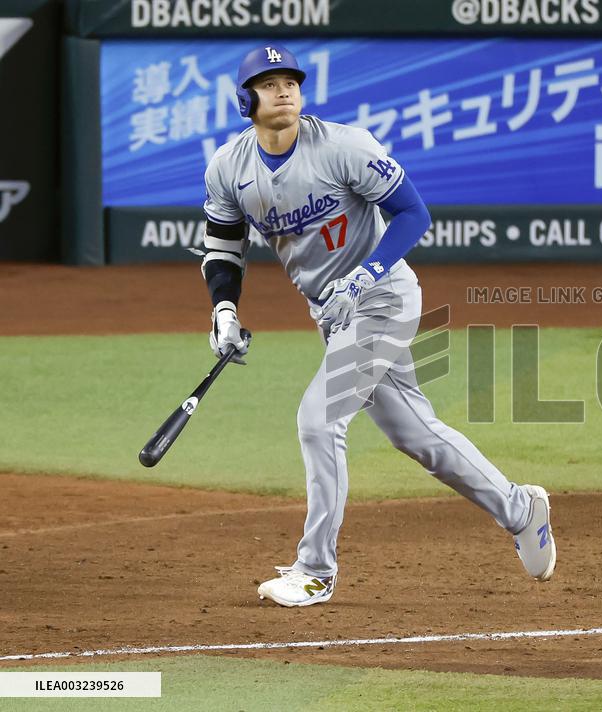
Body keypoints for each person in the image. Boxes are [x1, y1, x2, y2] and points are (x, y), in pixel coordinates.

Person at [200, 43, 556, 607]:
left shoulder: (343, 146)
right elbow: (223, 246)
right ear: (246, 99)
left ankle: (315, 570)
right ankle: (519, 508)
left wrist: (363, 277)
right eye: (269, 83)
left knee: (318, 420)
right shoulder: (229, 167)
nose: (284, 90)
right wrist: (224, 309)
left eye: (291, 80)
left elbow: (414, 212)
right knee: (415, 434)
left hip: (383, 299)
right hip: (334, 313)